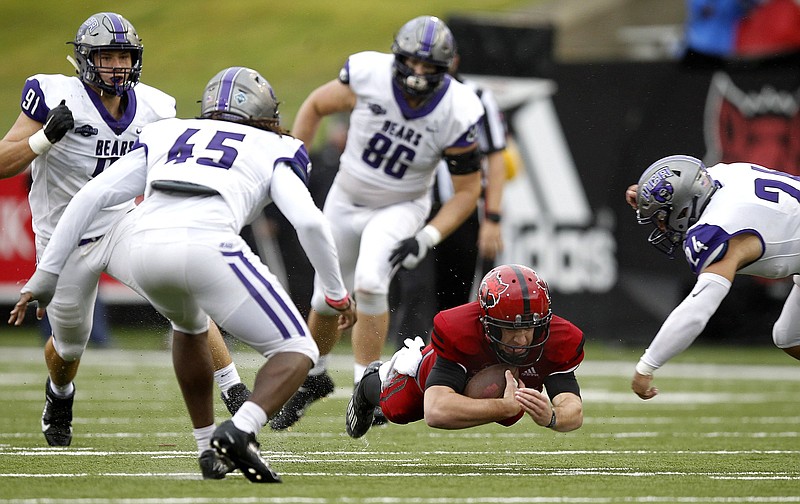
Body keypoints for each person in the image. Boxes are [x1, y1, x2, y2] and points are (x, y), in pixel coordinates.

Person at [10, 66, 357, 482]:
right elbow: (312, 224)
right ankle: (241, 429)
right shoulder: (275, 145)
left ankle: (207, 445)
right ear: (266, 110)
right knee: (298, 349)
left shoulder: (167, 131)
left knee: (189, 325)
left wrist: (43, 276)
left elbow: (93, 195)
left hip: (141, 243)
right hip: (207, 244)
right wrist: (336, 292)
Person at [0, 12, 249, 449]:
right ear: (84, 59)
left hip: (122, 223)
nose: (116, 65)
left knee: (181, 293)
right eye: (106, 56)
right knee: (70, 346)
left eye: (124, 56)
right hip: (64, 236)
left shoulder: (156, 108)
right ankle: (59, 392)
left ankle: (233, 388)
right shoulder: (54, 96)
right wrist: (42, 140)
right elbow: (3, 162)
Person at [269, 15, 485, 431]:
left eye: (430, 67)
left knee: (369, 282)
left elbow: (466, 191)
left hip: (402, 205)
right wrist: (294, 166)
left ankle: (366, 388)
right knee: (326, 297)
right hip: (347, 198)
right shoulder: (368, 75)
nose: (419, 74)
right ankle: (314, 378)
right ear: (397, 57)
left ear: (447, 68)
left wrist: (427, 237)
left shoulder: (459, 110)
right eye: (412, 63)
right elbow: (315, 105)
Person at [625, 155, 800, 400]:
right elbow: (684, 182)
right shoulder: (719, 176)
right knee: (789, 336)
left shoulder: (719, 228)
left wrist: (647, 366)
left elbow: (696, 312)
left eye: (663, 217)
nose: (662, 227)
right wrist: (647, 195)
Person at [346, 264, 584, 438]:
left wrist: (552, 417)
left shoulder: (559, 339)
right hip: (449, 375)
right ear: (487, 323)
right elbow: (436, 411)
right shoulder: (460, 331)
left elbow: (573, 409)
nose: (521, 338)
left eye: (530, 327)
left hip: (506, 387)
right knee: (399, 410)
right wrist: (504, 407)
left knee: (512, 414)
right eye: (510, 329)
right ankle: (370, 382)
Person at [389, 51, 509, 349]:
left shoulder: (476, 97)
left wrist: (492, 218)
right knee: (414, 291)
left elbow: (496, 158)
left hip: (462, 209)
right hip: (414, 207)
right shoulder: (402, 94)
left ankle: (449, 371)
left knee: (455, 297)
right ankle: (405, 375)